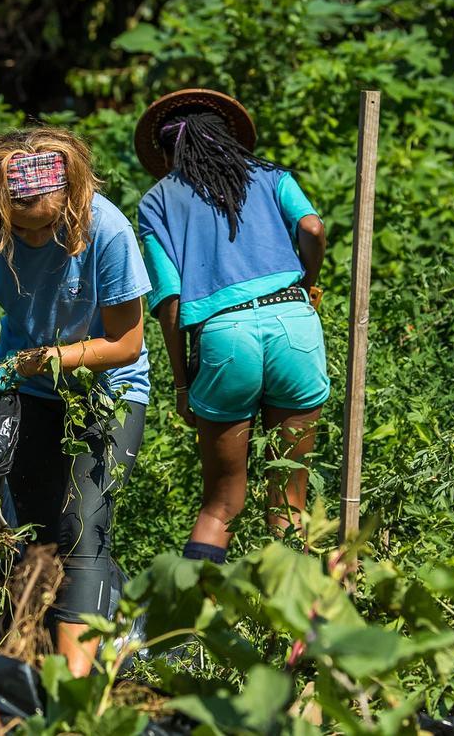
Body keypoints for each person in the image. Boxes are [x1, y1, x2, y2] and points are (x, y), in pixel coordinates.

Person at [0, 128, 150, 677]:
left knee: (82, 531)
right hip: (29, 398)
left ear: (68, 196)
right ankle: (37, 669)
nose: (31, 235)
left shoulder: (105, 229)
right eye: (19, 226)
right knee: (35, 536)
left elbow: (125, 344)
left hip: (107, 394)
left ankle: (76, 695)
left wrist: (40, 360)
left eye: (43, 224)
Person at [133, 89, 329, 564]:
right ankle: (296, 624)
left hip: (224, 338)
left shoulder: (156, 203)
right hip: (293, 324)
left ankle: (193, 628)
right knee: (290, 500)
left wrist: (182, 385)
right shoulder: (271, 176)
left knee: (221, 505)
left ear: (166, 154)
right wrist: (309, 282)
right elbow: (313, 228)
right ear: (227, 140)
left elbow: (171, 303)